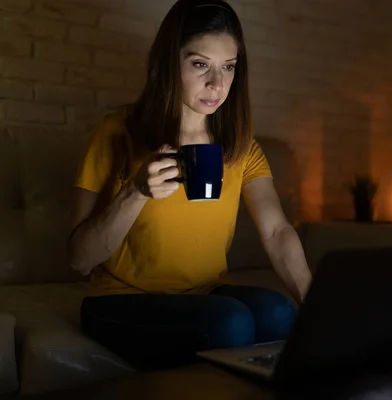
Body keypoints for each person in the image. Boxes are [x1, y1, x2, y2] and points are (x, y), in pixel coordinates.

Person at [68, 0, 312, 369]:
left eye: (228, 67)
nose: (217, 84)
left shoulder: (241, 146)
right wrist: (136, 191)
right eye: (200, 64)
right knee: (230, 322)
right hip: (120, 301)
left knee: (279, 312)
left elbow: (277, 231)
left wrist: (315, 302)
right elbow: (78, 259)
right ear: (170, 63)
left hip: (203, 295)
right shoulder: (116, 133)